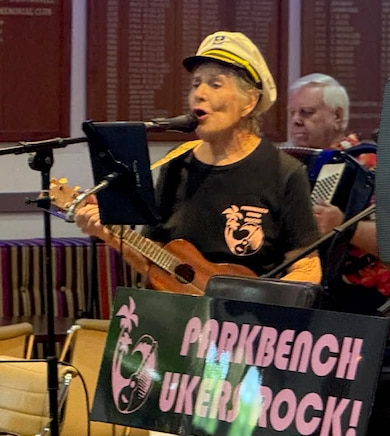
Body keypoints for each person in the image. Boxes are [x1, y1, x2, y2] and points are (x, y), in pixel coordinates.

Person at [75, 31, 322, 285]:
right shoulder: (176, 165)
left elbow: (308, 268)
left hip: (244, 323)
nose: (199, 94)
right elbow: (151, 261)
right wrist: (108, 232)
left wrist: (263, 304)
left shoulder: (284, 172)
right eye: (196, 83)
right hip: (173, 317)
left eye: (215, 84)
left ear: (249, 101)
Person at [286, 73, 390, 314]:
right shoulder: (289, 163)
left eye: (306, 112)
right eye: (292, 113)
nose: (296, 120)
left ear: (337, 116)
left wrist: (344, 226)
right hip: (301, 282)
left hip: (354, 293)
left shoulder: (368, 163)